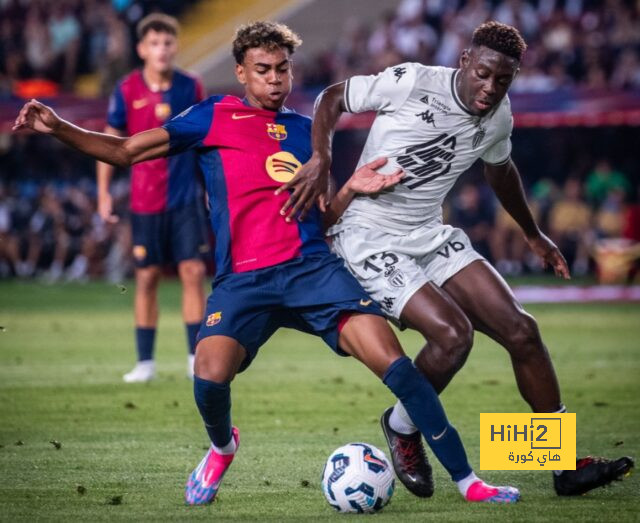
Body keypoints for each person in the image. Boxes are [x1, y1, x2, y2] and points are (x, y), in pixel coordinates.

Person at [14, 21, 521, 508]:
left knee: (401, 370)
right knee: (208, 379)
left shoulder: (307, 133)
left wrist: (348, 190)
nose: (275, 79)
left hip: (312, 272)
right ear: (241, 72)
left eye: (282, 69)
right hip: (245, 280)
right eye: (263, 69)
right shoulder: (212, 116)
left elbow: (323, 221)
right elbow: (125, 150)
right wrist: (58, 127)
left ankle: (468, 480)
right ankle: (222, 448)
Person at [283, 21, 634, 498]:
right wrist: (322, 160)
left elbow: (500, 169)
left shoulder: (499, 116)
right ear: (465, 61)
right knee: (453, 337)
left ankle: (561, 466)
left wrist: (533, 234)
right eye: (484, 74)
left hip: (429, 232)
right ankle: (404, 427)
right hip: (369, 236)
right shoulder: (412, 80)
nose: (490, 89)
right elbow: (332, 97)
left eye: (503, 81)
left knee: (523, 332)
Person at [97, 13, 209, 382]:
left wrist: (211, 190)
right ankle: (145, 363)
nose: (162, 50)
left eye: (167, 43)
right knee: (146, 278)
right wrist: (103, 194)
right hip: (144, 202)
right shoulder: (127, 89)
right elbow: (110, 144)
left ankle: (196, 357)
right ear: (142, 49)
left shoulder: (191, 87)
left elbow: (207, 141)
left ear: (175, 47)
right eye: (155, 43)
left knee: (192, 272)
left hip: (185, 199)